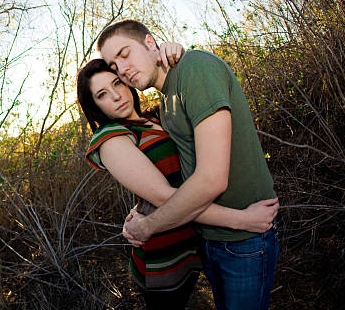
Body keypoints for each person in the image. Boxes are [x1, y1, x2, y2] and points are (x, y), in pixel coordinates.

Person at [96, 20, 279, 310]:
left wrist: (148, 226)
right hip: (210, 240)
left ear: (150, 42)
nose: (123, 69)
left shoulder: (195, 69)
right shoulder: (165, 100)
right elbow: (173, 175)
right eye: (114, 66)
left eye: (125, 54)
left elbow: (210, 179)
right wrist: (142, 208)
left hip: (245, 239)